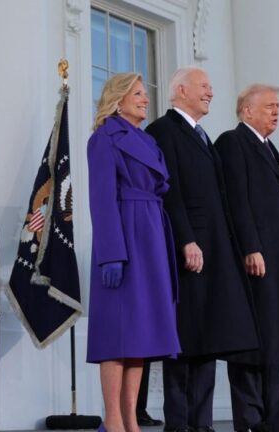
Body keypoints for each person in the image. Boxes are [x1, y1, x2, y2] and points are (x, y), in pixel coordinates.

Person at [145, 67, 259, 432]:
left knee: (209, 340)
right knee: (185, 341)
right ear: (180, 90)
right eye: (204, 86)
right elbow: (169, 190)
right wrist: (185, 239)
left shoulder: (203, 136)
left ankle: (203, 424)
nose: (211, 92)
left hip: (215, 251)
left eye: (211, 86)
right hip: (187, 251)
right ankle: (179, 425)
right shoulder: (162, 131)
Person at [86, 72, 181, 432]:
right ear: (119, 98)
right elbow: (102, 199)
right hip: (125, 234)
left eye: (145, 94)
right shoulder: (104, 138)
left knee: (139, 332)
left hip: (152, 233)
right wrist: (111, 253)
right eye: (138, 93)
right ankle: (113, 419)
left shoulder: (148, 141)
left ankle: (130, 419)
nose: (145, 99)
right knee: (116, 331)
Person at [215, 84, 279, 432]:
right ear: (247, 111)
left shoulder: (271, 149)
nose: (276, 112)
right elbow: (236, 199)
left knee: (277, 346)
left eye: (278, 106)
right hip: (255, 261)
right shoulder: (233, 142)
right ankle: (250, 422)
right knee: (252, 347)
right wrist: (251, 246)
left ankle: (275, 422)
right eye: (269, 107)